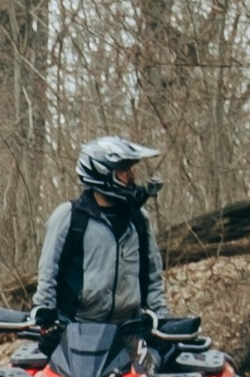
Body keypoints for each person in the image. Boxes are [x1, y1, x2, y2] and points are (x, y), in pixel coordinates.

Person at [33, 137, 168, 326]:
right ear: (102, 174)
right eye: (123, 171)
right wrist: (45, 312)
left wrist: (161, 317)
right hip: (76, 326)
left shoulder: (138, 219)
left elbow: (153, 274)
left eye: (130, 169)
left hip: (128, 327)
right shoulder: (69, 217)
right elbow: (48, 271)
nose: (131, 176)